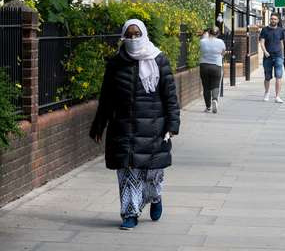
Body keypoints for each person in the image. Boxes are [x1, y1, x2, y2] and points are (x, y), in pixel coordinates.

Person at [89, 19, 180, 230]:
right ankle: (130, 213)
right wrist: (99, 125)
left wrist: (172, 125)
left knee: (152, 174)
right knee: (128, 172)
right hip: (123, 128)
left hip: (154, 128)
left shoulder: (159, 60)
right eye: (128, 35)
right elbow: (106, 98)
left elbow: (170, 98)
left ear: (144, 35)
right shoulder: (116, 63)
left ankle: (155, 198)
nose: (132, 39)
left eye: (136, 35)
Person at [199, 26, 226, 113]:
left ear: (209, 32)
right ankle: (214, 99)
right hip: (216, 65)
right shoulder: (220, 42)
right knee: (215, 85)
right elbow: (223, 52)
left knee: (206, 87)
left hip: (204, 65)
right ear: (217, 34)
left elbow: (200, 50)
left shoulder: (203, 41)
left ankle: (208, 107)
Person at [260, 13, 285, 103]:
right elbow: (262, 42)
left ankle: (277, 96)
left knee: (278, 76)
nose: (273, 20)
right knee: (267, 76)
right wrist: (265, 52)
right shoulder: (264, 30)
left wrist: (282, 54)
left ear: (278, 21)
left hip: (278, 56)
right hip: (268, 56)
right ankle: (266, 93)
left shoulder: (280, 30)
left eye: (275, 19)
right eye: (271, 19)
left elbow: (282, 43)